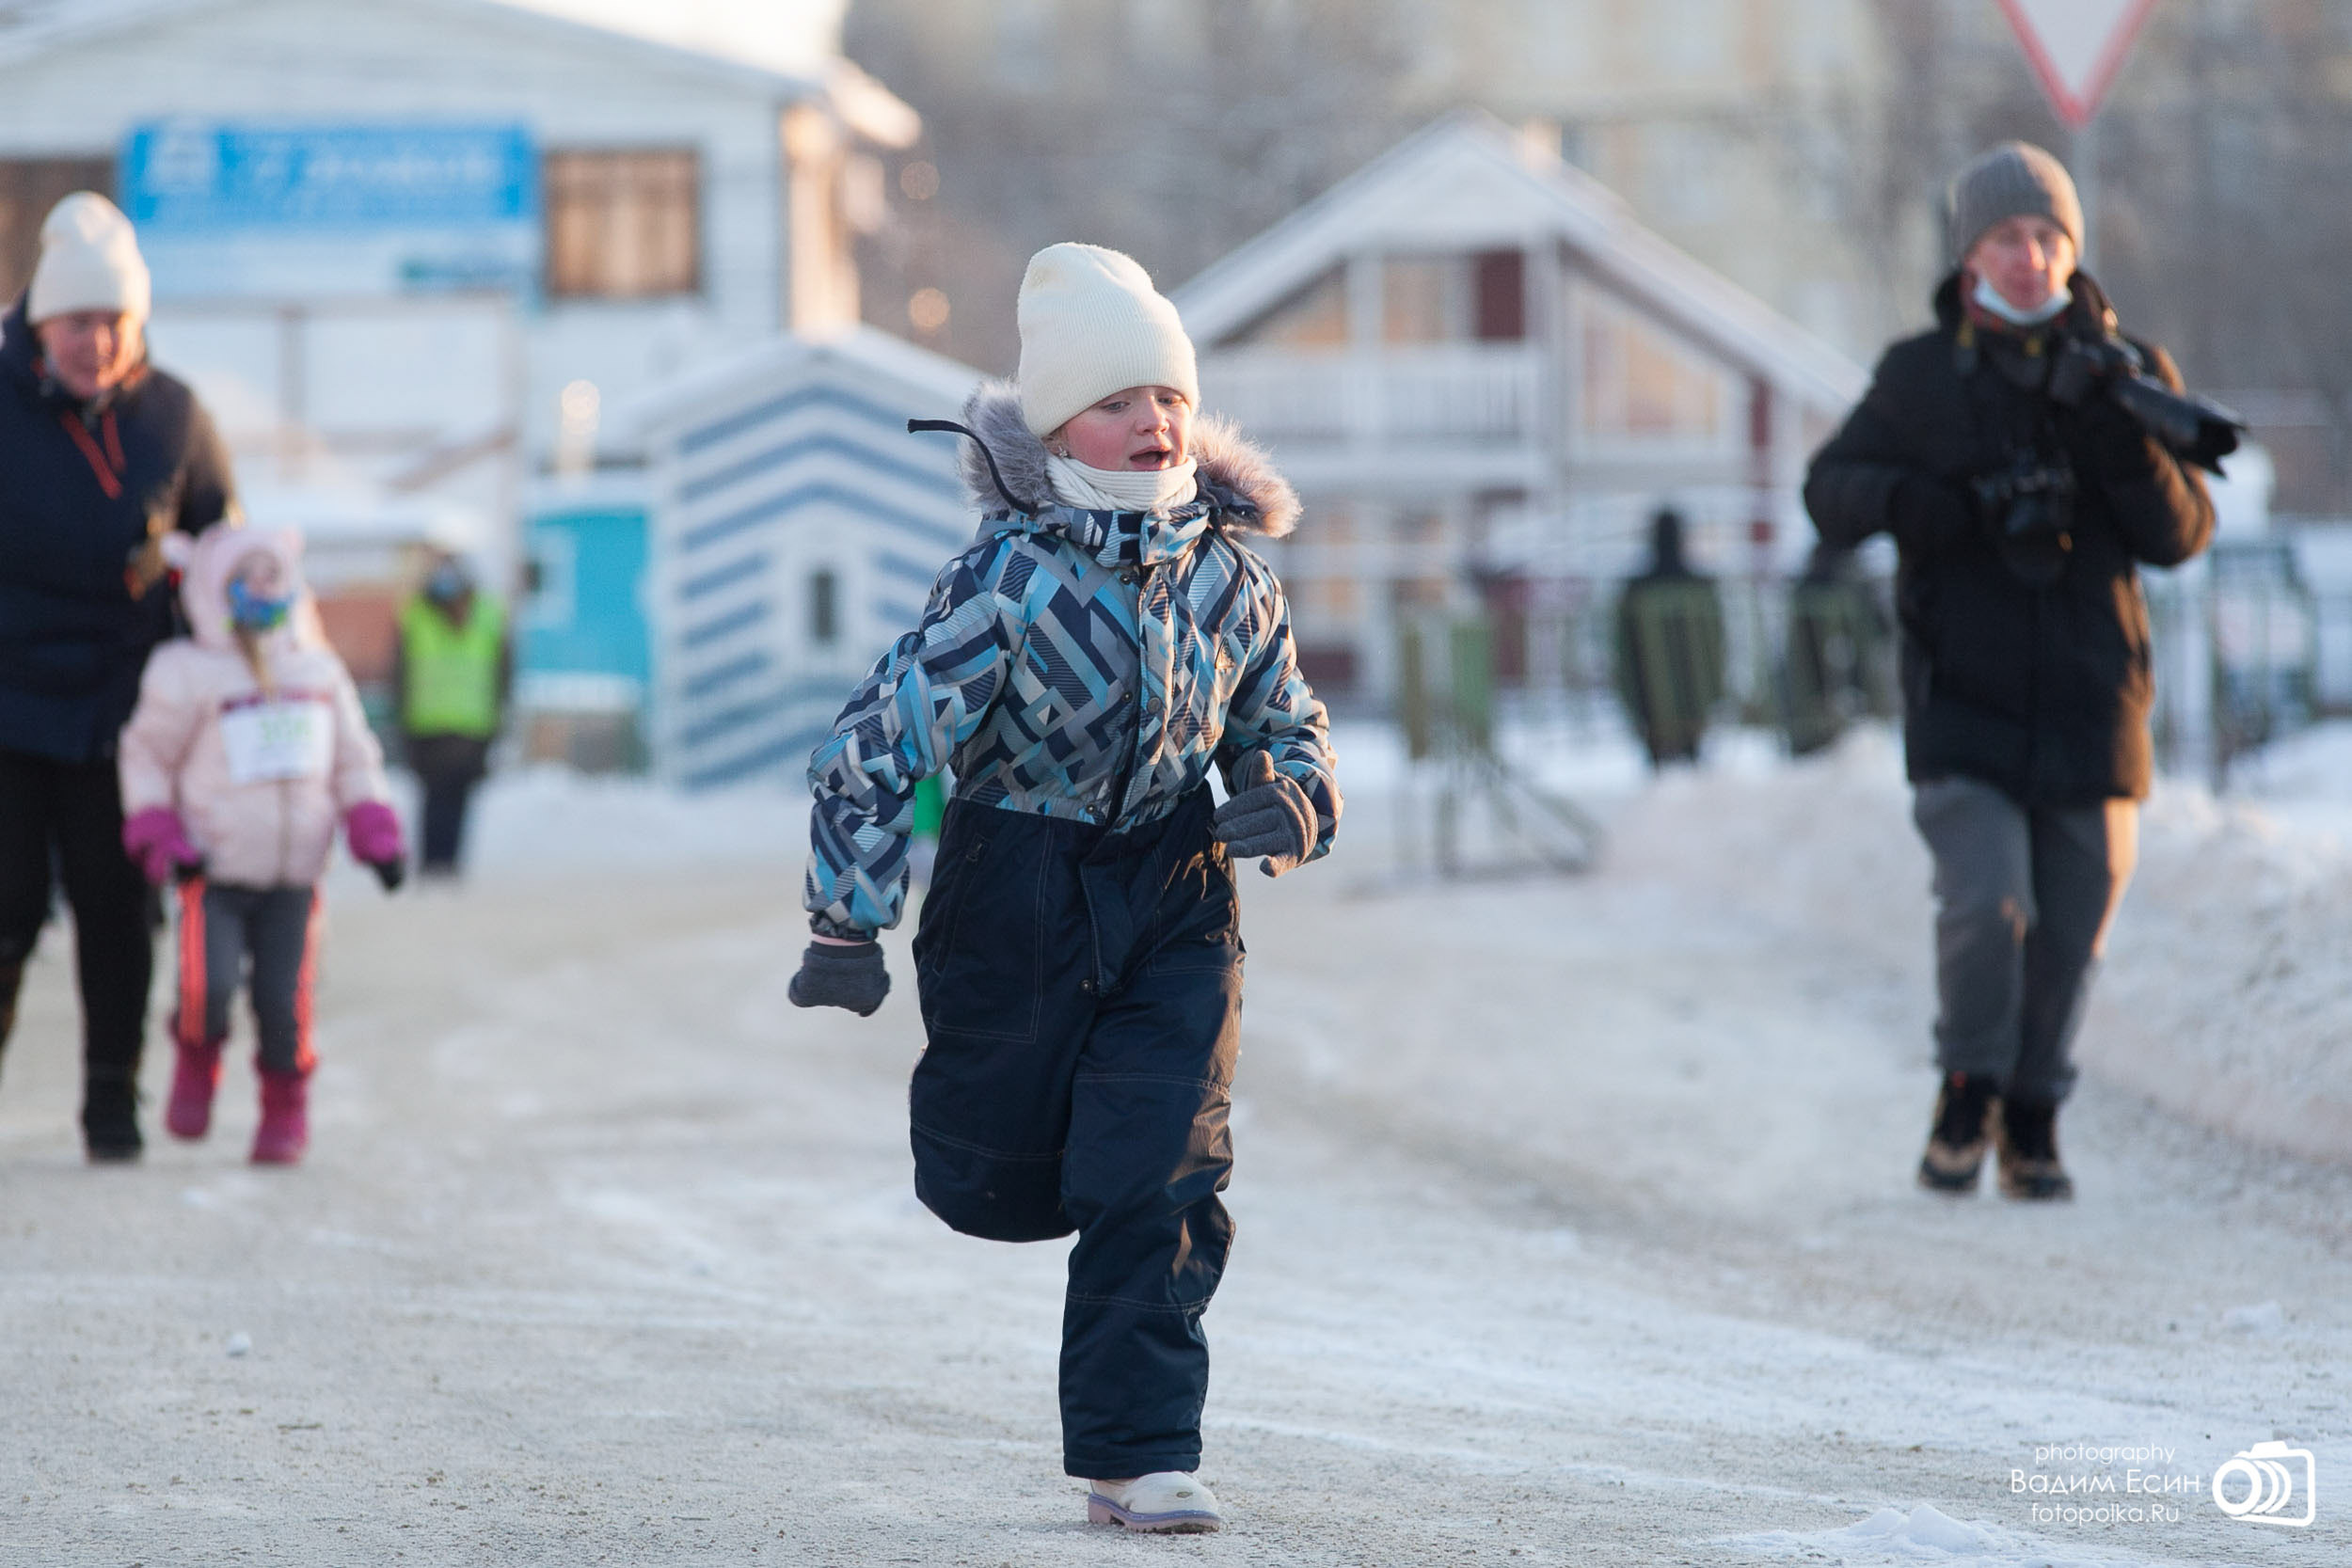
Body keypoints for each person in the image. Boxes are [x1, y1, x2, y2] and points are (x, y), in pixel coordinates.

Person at [788, 244, 1340, 1533]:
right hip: (1014, 886)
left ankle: (1139, 1451)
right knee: (998, 1165)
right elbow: (879, 742)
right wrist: (846, 914)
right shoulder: (1006, 580)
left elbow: (1287, 717)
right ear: (1053, 425)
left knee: (1163, 1164)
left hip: (1175, 886)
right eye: (1117, 398)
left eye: (1169, 396)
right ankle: (1056, 1234)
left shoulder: (1230, 575)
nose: (1152, 420)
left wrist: (1292, 793)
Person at [1804, 143, 2213, 1200]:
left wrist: (2111, 433)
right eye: (2004, 237)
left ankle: (2032, 1115)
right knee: (1988, 907)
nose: (2027, 257)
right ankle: (1967, 1086)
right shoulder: (1919, 374)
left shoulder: (2129, 375)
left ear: (2072, 249)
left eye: (2045, 236)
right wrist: (1929, 509)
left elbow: (2180, 536)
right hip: (1963, 701)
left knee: (2073, 927)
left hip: (2095, 696)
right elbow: (1829, 490)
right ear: (1968, 253)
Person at [0, 192, 236, 1161]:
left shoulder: (174, 416)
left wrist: (254, 648)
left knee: (115, 905)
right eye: (77, 321)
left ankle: (110, 1101)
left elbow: (225, 546)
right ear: (40, 322)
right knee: (5, 910)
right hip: (6, 704)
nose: (96, 341)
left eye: (113, 321)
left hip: (125, 712)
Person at [116, 526, 405, 1164]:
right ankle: (198, 1053)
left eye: (272, 576)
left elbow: (354, 759)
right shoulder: (186, 671)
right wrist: (159, 831)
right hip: (211, 869)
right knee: (207, 987)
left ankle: (284, 1106)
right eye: (245, 577)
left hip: (295, 876)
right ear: (214, 588)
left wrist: (374, 829)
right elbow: (147, 757)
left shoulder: (316, 669)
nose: (262, 590)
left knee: (283, 999)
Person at [392, 550, 510, 877]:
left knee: (459, 801)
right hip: (428, 728)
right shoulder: (416, 616)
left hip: (473, 726)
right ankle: (432, 865)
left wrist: (499, 719)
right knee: (434, 802)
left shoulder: (488, 615)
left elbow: (503, 673)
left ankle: (451, 865)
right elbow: (400, 674)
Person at [1613, 506, 1726, 768]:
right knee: (1688, 763)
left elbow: (1623, 648)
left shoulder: (1635, 589)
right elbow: (1715, 643)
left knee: (1662, 768)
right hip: (1692, 689)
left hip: (1648, 691)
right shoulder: (1700, 587)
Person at [1780, 541, 1893, 757]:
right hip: (1823, 672)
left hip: (1827, 672)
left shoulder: (1823, 581)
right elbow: (1881, 627)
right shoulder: (1849, 581)